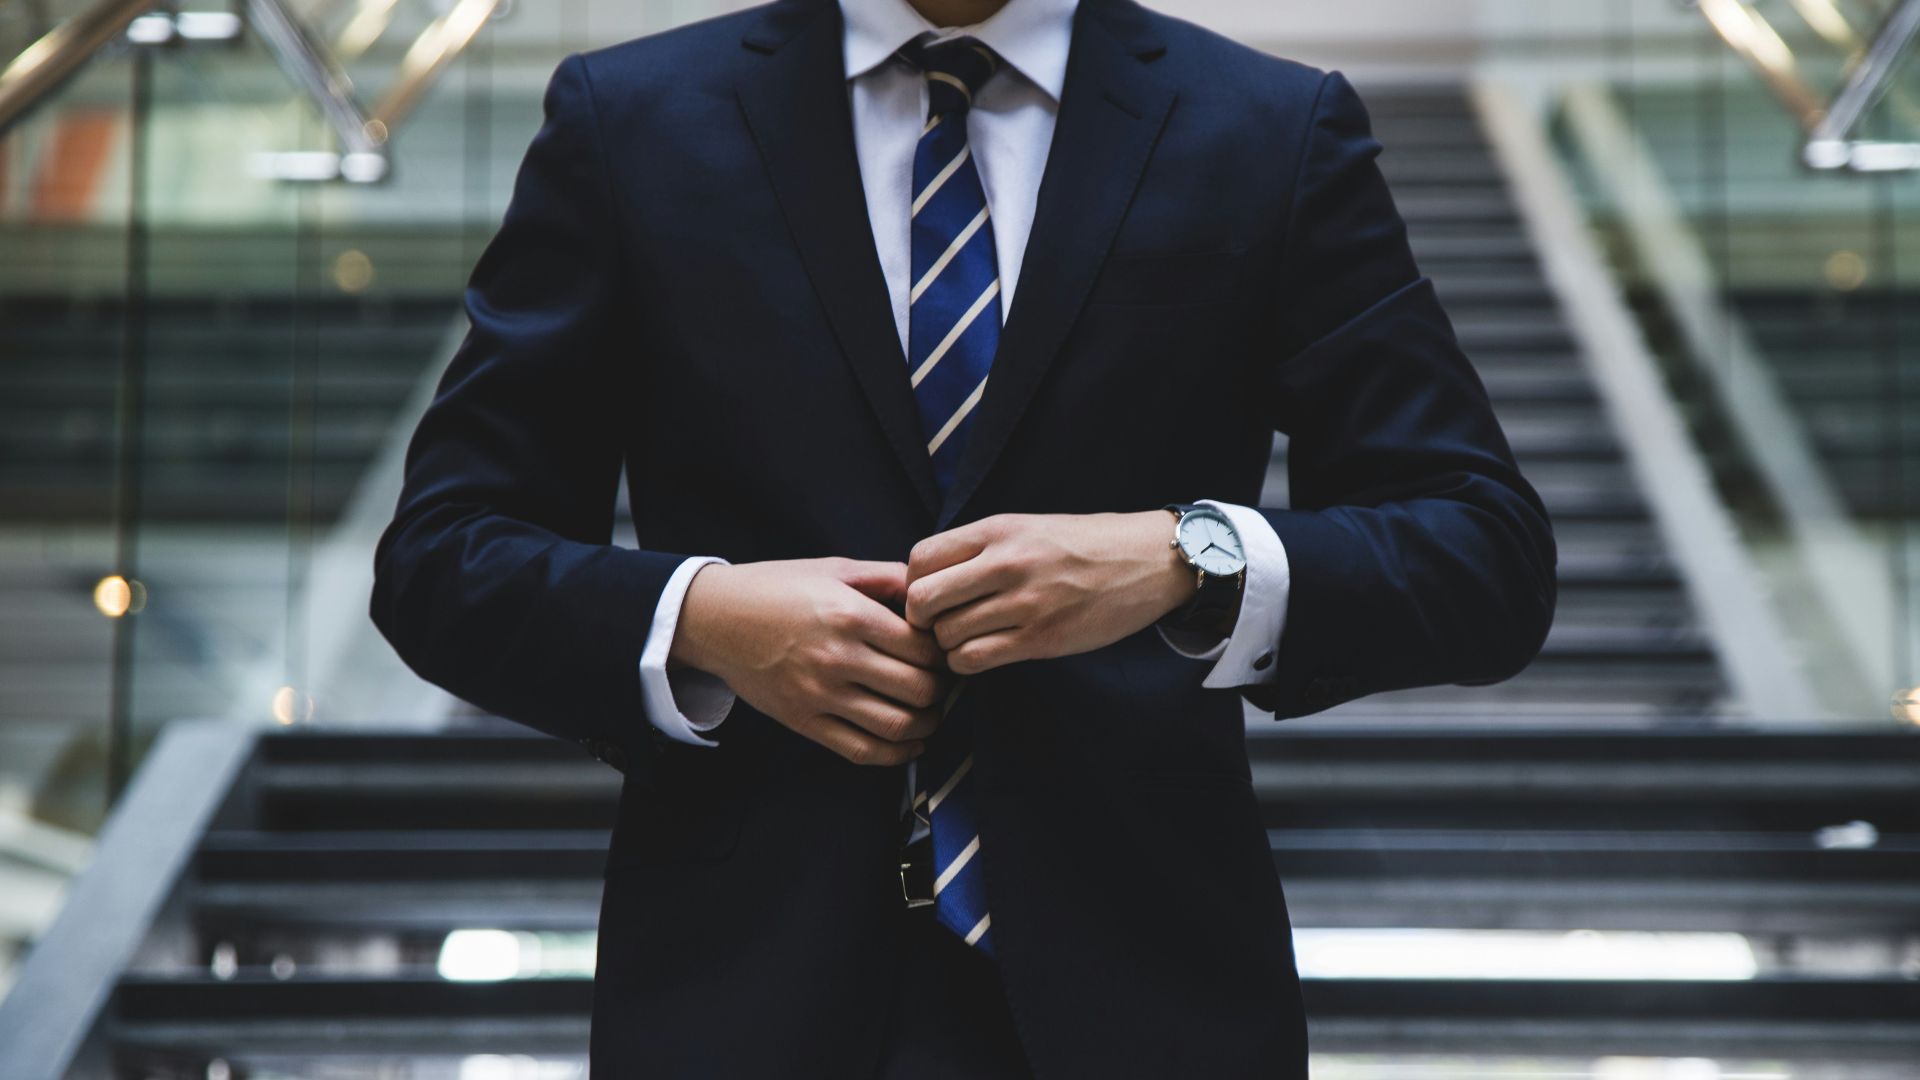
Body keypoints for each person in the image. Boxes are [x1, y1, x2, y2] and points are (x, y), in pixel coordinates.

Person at [370, 0, 1557, 1074]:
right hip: (739, 995)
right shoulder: (630, 120)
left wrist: (1186, 558)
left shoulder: (1269, 128)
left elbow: (1483, 552)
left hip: (1151, 998)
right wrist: (705, 621)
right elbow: (441, 556)